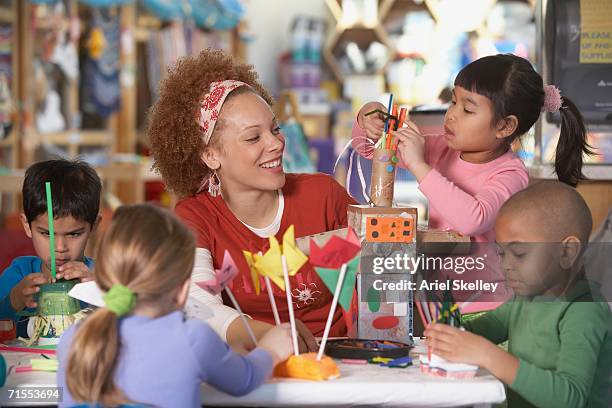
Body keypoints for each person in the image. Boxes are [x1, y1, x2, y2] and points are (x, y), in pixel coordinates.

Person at [148, 49, 356, 349]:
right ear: (211, 155)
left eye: (275, 129)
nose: (276, 144)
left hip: (344, 366)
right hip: (258, 370)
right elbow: (198, 306)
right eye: (253, 138)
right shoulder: (195, 216)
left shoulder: (324, 196)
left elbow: (385, 263)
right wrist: (272, 338)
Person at [353, 54, 593, 312]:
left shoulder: (510, 174)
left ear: (504, 126)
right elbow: (367, 149)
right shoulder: (439, 148)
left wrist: (420, 167)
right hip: (438, 302)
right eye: (453, 102)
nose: (451, 115)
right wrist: (368, 117)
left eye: (467, 109)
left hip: (484, 308)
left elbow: (473, 219)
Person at [57, 204, 293, 407]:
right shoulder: (193, 339)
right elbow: (246, 379)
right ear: (182, 291)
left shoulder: (74, 339)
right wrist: (272, 350)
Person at [425, 181, 612, 408]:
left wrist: (489, 356)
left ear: (566, 251)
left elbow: (569, 398)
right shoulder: (529, 296)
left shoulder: (583, 311)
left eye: (520, 254)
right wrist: (453, 330)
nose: (506, 265)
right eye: (502, 253)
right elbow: (490, 325)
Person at [0, 159, 100, 337]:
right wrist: (13, 300)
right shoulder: (18, 275)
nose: (59, 248)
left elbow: (132, 324)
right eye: (46, 233)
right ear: (26, 225)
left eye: (74, 234)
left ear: (93, 226)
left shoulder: (102, 276)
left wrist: (98, 292)